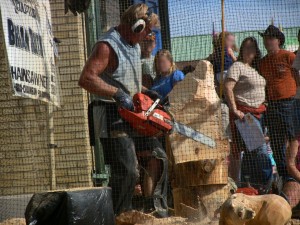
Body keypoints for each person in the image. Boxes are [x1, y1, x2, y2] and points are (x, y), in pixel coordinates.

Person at [78, 4, 168, 217]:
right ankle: (120, 216)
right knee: (127, 170)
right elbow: (86, 78)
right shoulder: (107, 46)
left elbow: (126, 80)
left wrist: (147, 92)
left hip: (134, 113)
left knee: (158, 157)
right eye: (147, 31)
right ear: (136, 27)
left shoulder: (134, 45)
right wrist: (117, 94)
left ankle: (152, 210)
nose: (148, 37)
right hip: (110, 113)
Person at [224, 37, 273, 188]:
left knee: (252, 153)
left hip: (260, 114)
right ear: (242, 50)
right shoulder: (237, 66)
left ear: (256, 51)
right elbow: (227, 87)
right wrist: (234, 109)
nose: (249, 50)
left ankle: (248, 186)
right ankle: (266, 185)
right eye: (246, 47)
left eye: (252, 47)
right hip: (247, 115)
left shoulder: (255, 69)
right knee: (261, 150)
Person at [259, 25, 299, 183]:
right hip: (272, 106)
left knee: (293, 139)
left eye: (270, 38)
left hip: (290, 103)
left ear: (279, 40)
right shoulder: (262, 62)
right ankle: (285, 175)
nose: (267, 41)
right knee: (276, 142)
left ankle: (294, 171)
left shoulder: (289, 56)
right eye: (265, 38)